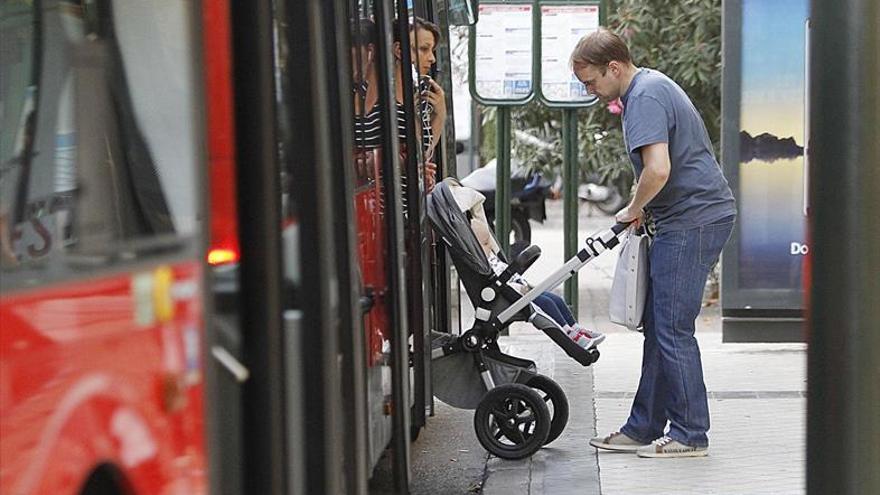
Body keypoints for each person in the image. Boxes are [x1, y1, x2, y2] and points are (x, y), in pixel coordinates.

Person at [570, 28, 736, 458]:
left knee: (673, 330)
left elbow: (657, 169)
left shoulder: (643, 96)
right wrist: (643, 208)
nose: (589, 91)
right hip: (689, 217)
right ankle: (643, 427)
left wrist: (632, 207)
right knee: (661, 328)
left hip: (692, 220)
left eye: (590, 82)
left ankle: (689, 434)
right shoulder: (650, 86)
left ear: (614, 67)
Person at [463, 186, 605, 350]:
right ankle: (570, 335)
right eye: (484, 243)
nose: (488, 245)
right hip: (507, 294)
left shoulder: (490, 256)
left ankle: (575, 328)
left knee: (556, 299)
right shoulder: (481, 262)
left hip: (517, 288)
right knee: (546, 303)